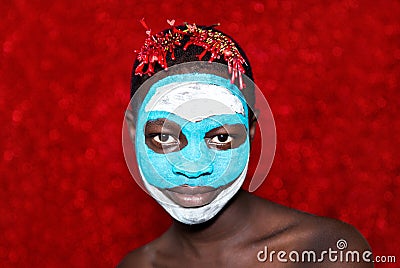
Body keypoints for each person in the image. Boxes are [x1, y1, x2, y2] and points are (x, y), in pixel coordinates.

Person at [119, 21, 372, 267]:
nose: (194, 167)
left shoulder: (323, 252)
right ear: (133, 131)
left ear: (250, 131)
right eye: (165, 138)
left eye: (220, 138)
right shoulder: (137, 265)